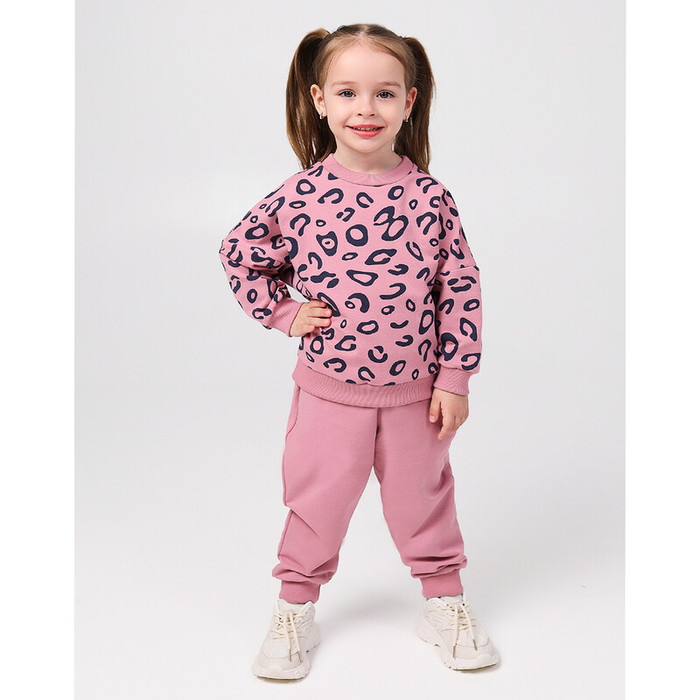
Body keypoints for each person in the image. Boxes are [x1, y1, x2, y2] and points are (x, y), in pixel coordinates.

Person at [219, 22, 500, 680]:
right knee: (316, 503)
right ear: (319, 100)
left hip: (415, 398)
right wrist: (283, 312)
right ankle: (294, 610)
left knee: (423, 501)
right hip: (328, 394)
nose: (365, 108)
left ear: (409, 101)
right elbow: (239, 253)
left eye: (384, 93)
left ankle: (444, 604)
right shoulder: (301, 195)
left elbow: (460, 288)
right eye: (347, 92)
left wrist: (455, 377)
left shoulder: (430, 198)